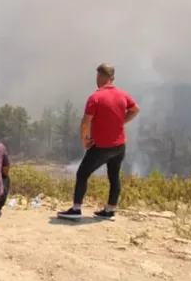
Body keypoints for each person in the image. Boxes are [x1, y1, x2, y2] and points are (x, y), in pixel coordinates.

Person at [57, 63, 140, 221]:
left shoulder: (95, 97)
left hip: (101, 146)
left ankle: (76, 209)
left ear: (101, 76)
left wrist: (85, 139)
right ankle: (109, 211)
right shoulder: (123, 95)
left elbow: (86, 122)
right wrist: (122, 121)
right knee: (114, 176)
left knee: (82, 174)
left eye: (98, 75)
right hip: (120, 146)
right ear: (112, 77)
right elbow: (135, 108)